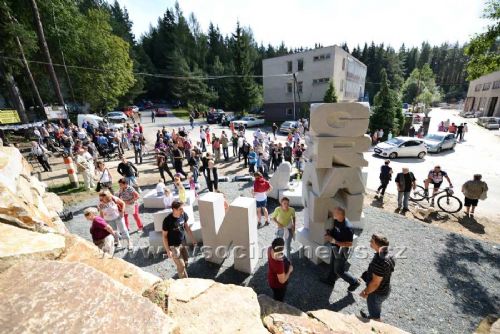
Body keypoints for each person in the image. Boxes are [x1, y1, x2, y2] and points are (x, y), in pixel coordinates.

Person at [321, 207, 360, 292]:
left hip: (342, 251)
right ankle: (330, 281)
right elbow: (335, 231)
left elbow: (349, 244)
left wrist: (334, 241)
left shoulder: (348, 227)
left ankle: (354, 282)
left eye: (335, 213)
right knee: (332, 264)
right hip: (335, 248)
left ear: (340, 214)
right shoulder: (337, 220)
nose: (333, 214)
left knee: (339, 271)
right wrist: (329, 233)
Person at [359, 234, 395, 322]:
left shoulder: (379, 261)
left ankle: (375, 322)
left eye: (372, 241)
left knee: (376, 317)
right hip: (385, 288)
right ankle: (372, 316)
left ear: (377, 245)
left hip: (376, 293)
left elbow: (375, 283)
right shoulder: (389, 254)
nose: (369, 242)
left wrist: (365, 292)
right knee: (376, 307)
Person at [162, 201, 197, 278]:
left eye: (182, 209)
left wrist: (193, 239)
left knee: (186, 262)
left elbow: (186, 227)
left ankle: (184, 276)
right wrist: (168, 250)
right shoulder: (167, 220)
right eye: (180, 209)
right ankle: (184, 283)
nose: (182, 211)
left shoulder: (183, 215)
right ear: (174, 209)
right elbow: (164, 236)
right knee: (181, 266)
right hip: (173, 246)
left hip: (183, 243)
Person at [267, 237, 293, 302]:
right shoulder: (279, 264)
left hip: (271, 278)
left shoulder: (270, 249)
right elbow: (282, 281)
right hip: (278, 286)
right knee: (278, 300)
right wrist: (289, 270)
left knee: (275, 294)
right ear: (283, 248)